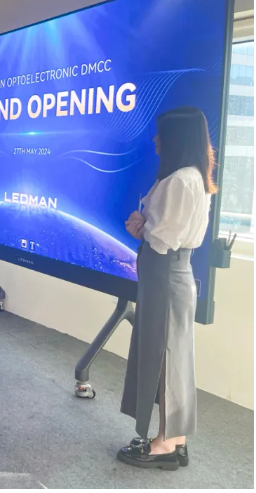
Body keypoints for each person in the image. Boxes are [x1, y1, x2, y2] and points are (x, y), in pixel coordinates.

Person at [118, 107, 216, 471]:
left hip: (166, 273)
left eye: (161, 134)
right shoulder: (196, 178)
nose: (155, 140)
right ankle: (175, 438)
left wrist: (142, 226)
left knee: (164, 355)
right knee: (174, 355)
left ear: (177, 138)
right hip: (176, 272)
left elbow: (161, 240)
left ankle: (165, 445)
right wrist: (147, 226)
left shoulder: (178, 181)